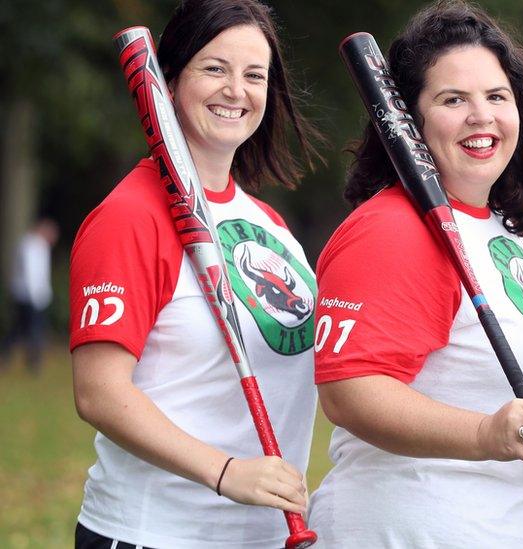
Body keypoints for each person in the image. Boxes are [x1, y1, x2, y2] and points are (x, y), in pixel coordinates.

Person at [307, 1, 523, 546]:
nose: (482, 116)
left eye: (496, 96)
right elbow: (352, 389)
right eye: (454, 99)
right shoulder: (394, 228)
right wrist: (483, 432)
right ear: (411, 118)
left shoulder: (500, 233)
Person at [69, 1, 324, 547]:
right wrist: (226, 471)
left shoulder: (270, 226)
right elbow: (99, 393)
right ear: (170, 80)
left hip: (261, 533)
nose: (236, 90)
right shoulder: (129, 216)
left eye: (254, 75)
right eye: (215, 68)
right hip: (155, 532)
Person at [1, 218, 58, 374]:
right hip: (28, 296)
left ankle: (24, 359)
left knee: (19, 329)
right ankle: (34, 362)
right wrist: (37, 298)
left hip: (31, 296)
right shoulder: (32, 245)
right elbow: (31, 273)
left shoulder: (38, 245)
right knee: (32, 330)